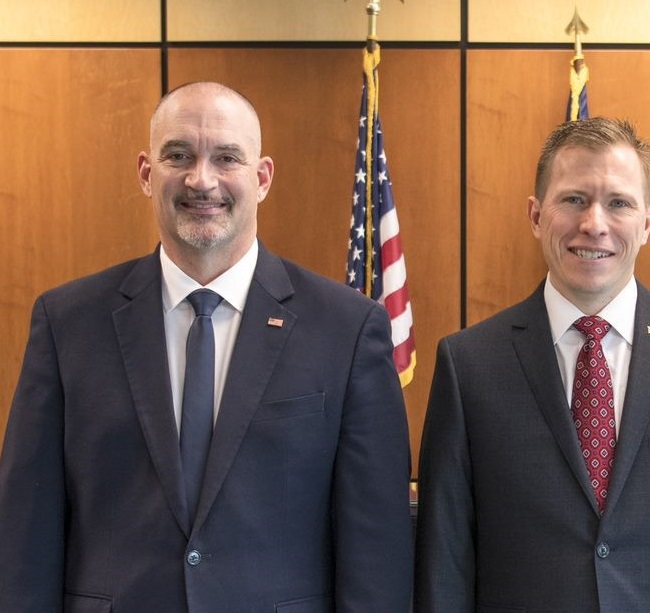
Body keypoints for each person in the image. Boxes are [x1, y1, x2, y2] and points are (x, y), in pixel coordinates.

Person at [0, 82, 414, 611]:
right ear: (147, 174)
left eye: (226, 158)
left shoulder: (348, 330)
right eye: (179, 155)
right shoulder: (66, 324)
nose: (202, 179)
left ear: (261, 178)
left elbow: (377, 548)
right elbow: (25, 533)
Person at [415, 117, 650, 612]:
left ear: (647, 222)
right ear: (536, 214)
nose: (594, 224)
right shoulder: (468, 364)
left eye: (618, 203)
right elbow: (445, 556)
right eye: (573, 199)